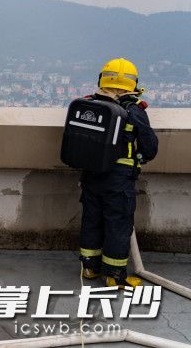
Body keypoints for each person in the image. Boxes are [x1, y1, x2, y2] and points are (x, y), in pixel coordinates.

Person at [79, 58, 158, 288]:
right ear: (133, 84)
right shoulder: (133, 111)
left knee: (92, 219)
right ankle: (114, 275)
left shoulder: (89, 105)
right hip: (119, 180)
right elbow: (150, 147)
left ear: (102, 79)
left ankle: (90, 267)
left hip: (91, 176)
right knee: (118, 224)